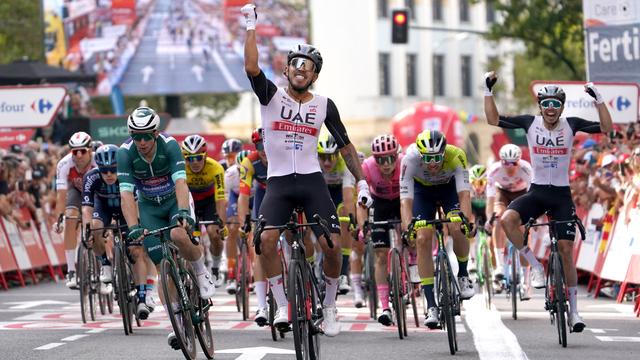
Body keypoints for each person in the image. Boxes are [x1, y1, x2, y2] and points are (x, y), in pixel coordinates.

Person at [242, 3, 372, 337]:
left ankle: (328, 307)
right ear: (286, 70)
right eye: (295, 64)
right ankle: (283, 305)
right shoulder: (270, 96)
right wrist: (250, 26)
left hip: (312, 181)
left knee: (331, 245)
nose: (301, 69)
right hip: (280, 183)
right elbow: (251, 66)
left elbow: (345, 145)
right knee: (265, 241)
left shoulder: (324, 104)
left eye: (308, 66)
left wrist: (362, 183)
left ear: (314, 75)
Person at [483, 71, 613, 333]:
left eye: (556, 104)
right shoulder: (530, 123)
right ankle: (534, 267)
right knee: (507, 220)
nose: (551, 108)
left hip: (562, 195)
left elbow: (607, 128)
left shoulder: (572, 123)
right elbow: (493, 119)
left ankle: (574, 312)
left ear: (562, 107)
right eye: (546, 103)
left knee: (566, 251)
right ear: (540, 106)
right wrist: (488, 90)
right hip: (537, 192)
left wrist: (598, 99)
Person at [117, 106, 216, 350]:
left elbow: (181, 182)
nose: (141, 142)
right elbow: (126, 195)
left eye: (146, 136)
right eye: (136, 136)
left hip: (175, 202)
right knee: (162, 266)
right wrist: (133, 227)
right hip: (149, 208)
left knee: (178, 234)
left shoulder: (170, 145)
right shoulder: (125, 153)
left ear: (156, 133)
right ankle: (177, 323)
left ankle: (201, 272)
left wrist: (183, 212)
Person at [399, 129, 475, 329]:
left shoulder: (456, 155)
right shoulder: (409, 160)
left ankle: (464, 274)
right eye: (428, 158)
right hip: (422, 191)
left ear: (444, 153)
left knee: (457, 225)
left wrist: (467, 221)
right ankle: (431, 304)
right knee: (423, 237)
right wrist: (409, 228)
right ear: (419, 154)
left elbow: (465, 195)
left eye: (437, 158)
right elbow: (405, 201)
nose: (432, 164)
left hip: (449, 189)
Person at [82, 144, 158, 319]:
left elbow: (137, 205)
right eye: (104, 170)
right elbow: (86, 208)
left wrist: (138, 227)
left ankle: (141, 298)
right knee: (94, 227)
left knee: (136, 251)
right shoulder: (91, 177)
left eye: (112, 170)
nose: (108, 174)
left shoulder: (128, 175)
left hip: (127, 210)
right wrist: (87, 229)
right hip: (104, 209)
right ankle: (105, 264)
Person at [357, 134, 415, 326]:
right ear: (375, 159)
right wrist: (363, 226)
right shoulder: (367, 167)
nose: (386, 164)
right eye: (381, 160)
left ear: (396, 156)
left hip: (402, 200)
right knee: (381, 256)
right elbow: (362, 202)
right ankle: (385, 307)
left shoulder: (405, 163)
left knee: (411, 234)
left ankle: (412, 259)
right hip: (380, 204)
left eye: (390, 158)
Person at [485, 144, 533, 297]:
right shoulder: (494, 170)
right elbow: (490, 200)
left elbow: (534, 196)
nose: (510, 166)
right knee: (498, 218)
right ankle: (499, 265)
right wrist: (489, 220)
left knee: (524, 232)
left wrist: (533, 217)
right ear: (501, 161)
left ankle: (526, 282)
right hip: (502, 194)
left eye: (514, 163)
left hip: (522, 194)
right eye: (506, 162)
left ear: (519, 161)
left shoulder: (526, 169)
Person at [182, 135, 228, 285]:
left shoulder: (215, 167)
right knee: (189, 236)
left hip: (210, 202)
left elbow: (220, 197)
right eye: (190, 158)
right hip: (191, 201)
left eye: (198, 157)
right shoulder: (181, 168)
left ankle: (215, 266)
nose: (194, 162)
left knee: (213, 234)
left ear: (205, 155)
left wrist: (222, 223)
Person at [54, 131, 96, 289]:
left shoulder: (98, 160)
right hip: (76, 191)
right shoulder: (64, 164)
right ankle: (71, 270)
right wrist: (59, 217)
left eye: (83, 151)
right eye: (75, 151)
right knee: (70, 218)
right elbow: (61, 194)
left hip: (96, 192)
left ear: (90, 150)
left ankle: (103, 264)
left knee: (97, 223)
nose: (78, 155)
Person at [236, 129, 269, 326]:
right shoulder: (249, 162)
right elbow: (243, 195)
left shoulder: (283, 154)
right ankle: (262, 305)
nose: (264, 150)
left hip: (283, 194)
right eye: (259, 146)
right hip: (263, 197)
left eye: (267, 144)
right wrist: (244, 222)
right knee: (257, 250)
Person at [317, 131, 356, 295]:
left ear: (337, 155)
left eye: (331, 157)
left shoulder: (344, 165)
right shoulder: (313, 163)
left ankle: (343, 273)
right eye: (322, 157)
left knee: (345, 218)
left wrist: (350, 216)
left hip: (339, 193)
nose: (326, 162)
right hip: (321, 192)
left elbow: (348, 196)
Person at [224, 149, 251, 294]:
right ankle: (231, 273)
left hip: (252, 198)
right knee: (232, 229)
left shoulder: (258, 171)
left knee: (255, 230)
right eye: (241, 170)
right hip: (236, 197)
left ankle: (253, 269)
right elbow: (225, 199)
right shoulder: (230, 174)